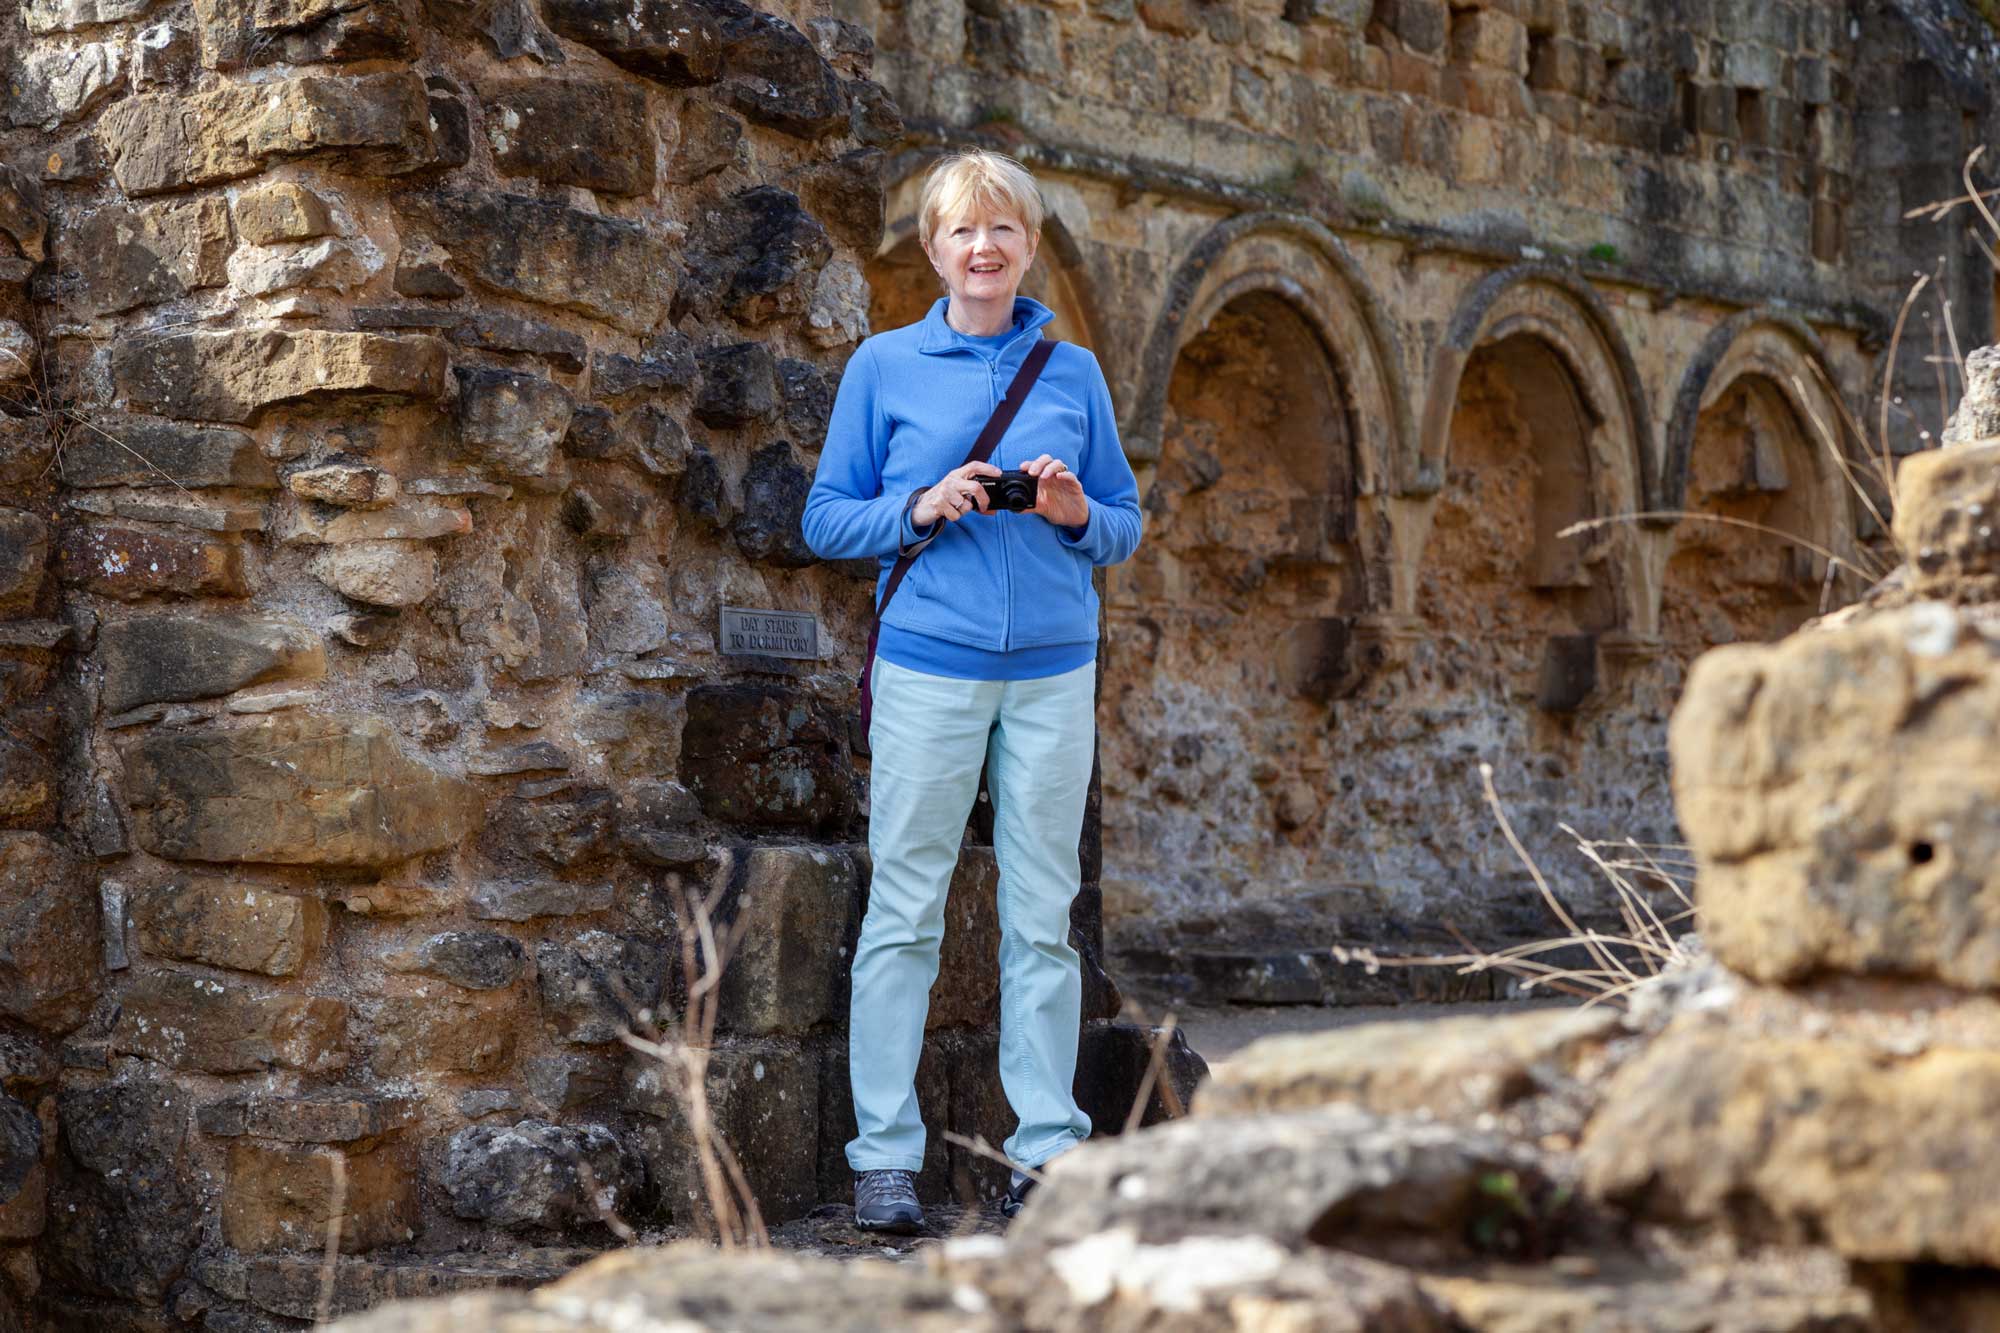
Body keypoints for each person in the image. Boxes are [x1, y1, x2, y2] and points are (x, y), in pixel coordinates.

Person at [800, 149, 1143, 1233]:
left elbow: (1125, 525)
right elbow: (823, 519)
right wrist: (920, 502)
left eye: (1002, 231)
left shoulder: (1074, 373)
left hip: (1051, 672)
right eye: (961, 232)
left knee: (1042, 915)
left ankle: (1047, 1154)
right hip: (928, 666)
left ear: (1029, 246)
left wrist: (1070, 513)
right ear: (933, 248)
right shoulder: (883, 366)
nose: (982, 249)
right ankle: (885, 1158)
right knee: (905, 909)